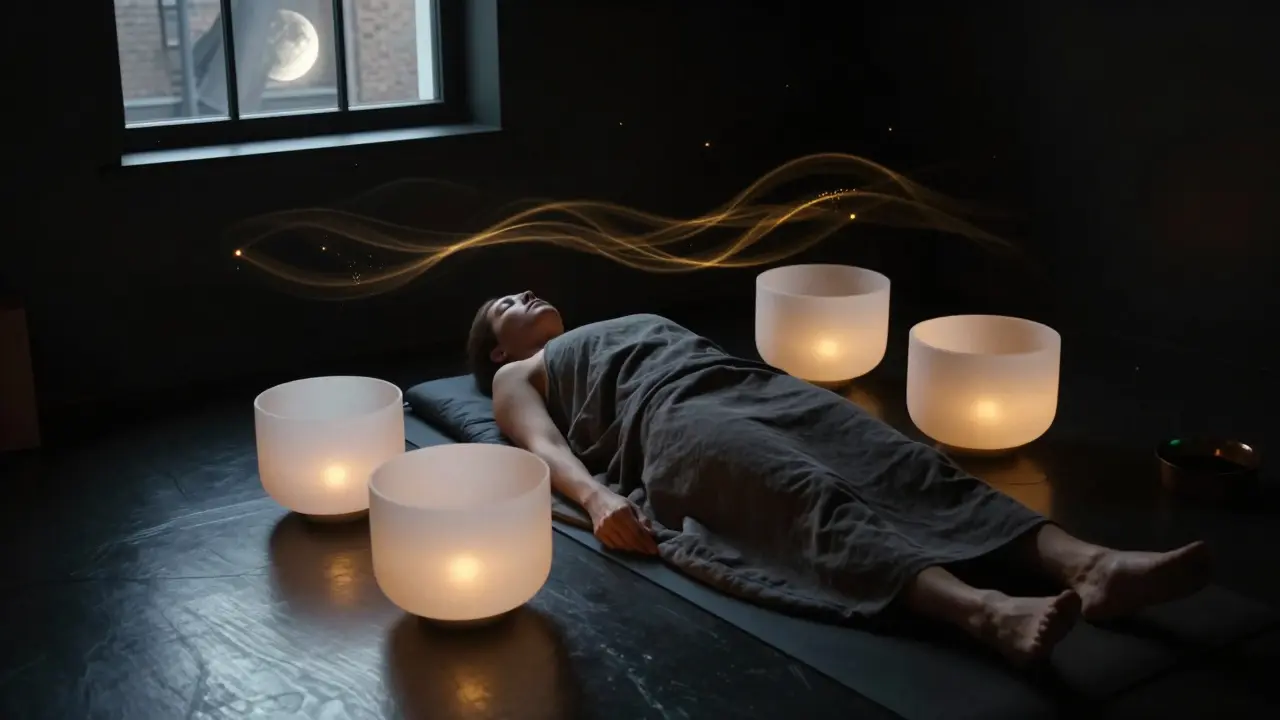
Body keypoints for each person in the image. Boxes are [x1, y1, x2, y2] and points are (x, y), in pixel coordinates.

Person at [467, 291, 1212, 667]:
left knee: (907, 464)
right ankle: (985, 612)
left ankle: (1089, 564)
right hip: (672, 422)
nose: (524, 294)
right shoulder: (519, 377)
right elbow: (539, 449)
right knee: (806, 500)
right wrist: (599, 499)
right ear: (497, 353)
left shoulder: (618, 321)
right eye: (505, 305)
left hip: (745, 383)